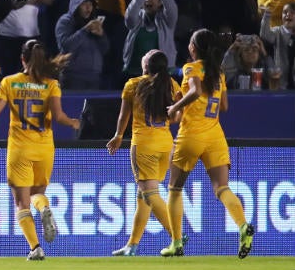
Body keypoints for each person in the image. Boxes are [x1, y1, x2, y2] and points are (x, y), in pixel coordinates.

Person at [161, 29, 255, 258]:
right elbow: (223, 107)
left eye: (191, 42)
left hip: (191, 135)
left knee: (174, 188)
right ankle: (243, 225)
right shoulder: (218, 72)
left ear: (194, 48)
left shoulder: (191, 68)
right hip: (215, 135)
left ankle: (176, 243)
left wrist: (175, 107)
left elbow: (195, 91)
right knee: (222, 188)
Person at [0, 40, 80, 261]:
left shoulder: (10, 82)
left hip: (19, 149)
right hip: (44, 148)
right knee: (38, 194)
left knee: (21, 203)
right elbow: (58, 117)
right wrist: (74, 123)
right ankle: (44, 208)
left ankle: (35, 247)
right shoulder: (51, 84)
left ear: (22, 59)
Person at [106, 50, 180, 256]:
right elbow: (178, 116)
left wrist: (118, 135)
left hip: (144, 144)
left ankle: (177, 236)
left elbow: (124, 115)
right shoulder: (172, 84)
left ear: (146, 65)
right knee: (144, 196)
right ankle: (132, 245)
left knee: (150, 194)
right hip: (166, 145)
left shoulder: (133, 84)